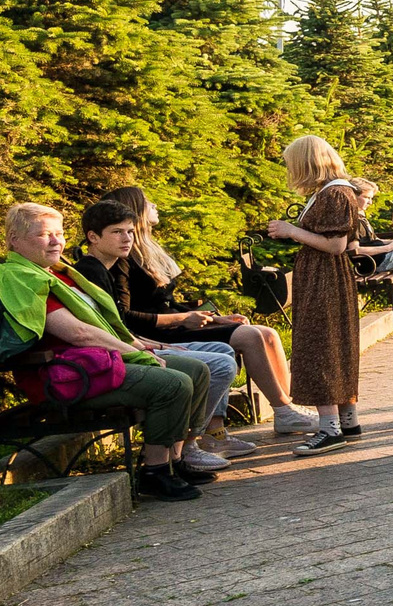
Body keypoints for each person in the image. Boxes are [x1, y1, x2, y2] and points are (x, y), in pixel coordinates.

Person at [0, 203, 214, 501]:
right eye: (43, 235)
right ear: (14, 239)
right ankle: (155, 473)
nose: (55, 241)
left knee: (196, 370)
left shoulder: (57, 273)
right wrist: (137, 353)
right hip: (67, 377)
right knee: (173, 383)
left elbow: (103, 323)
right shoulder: (21, 280)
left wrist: (140, 346)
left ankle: (174, 461)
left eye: (59, 234)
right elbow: (78, 333)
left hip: (95, 364)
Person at [93, 183, 300, 447]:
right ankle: (274, 413)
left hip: (172, 324)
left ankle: (287, 408)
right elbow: (130, 315)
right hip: (159, 331)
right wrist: (183, 319)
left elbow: (167, 302)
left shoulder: (148, 250)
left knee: (267, 333)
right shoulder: (124, 258)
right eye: (148, 202)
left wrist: (215, 318)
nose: (155, 205)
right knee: (248, 337)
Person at [72, 201, 238, 473]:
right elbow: (114, 326)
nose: (127, 238)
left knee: (222, 353)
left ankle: (189, 446)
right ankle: (187, 447)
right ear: (93, 237)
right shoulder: (91, 271)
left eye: (130, 231)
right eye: (117, 232)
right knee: (219, 364)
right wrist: (152, 345)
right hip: (120, 353)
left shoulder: (113, 264)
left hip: (139, 342)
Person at [269, 135, 369, 456]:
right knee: (336, 342)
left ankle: (330, 429)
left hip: (324, 280)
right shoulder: (334, 191)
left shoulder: (335, 193)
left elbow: (336, 245)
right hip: (325, 278)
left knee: (321, 345)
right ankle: (348, 420)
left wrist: (290, 230)